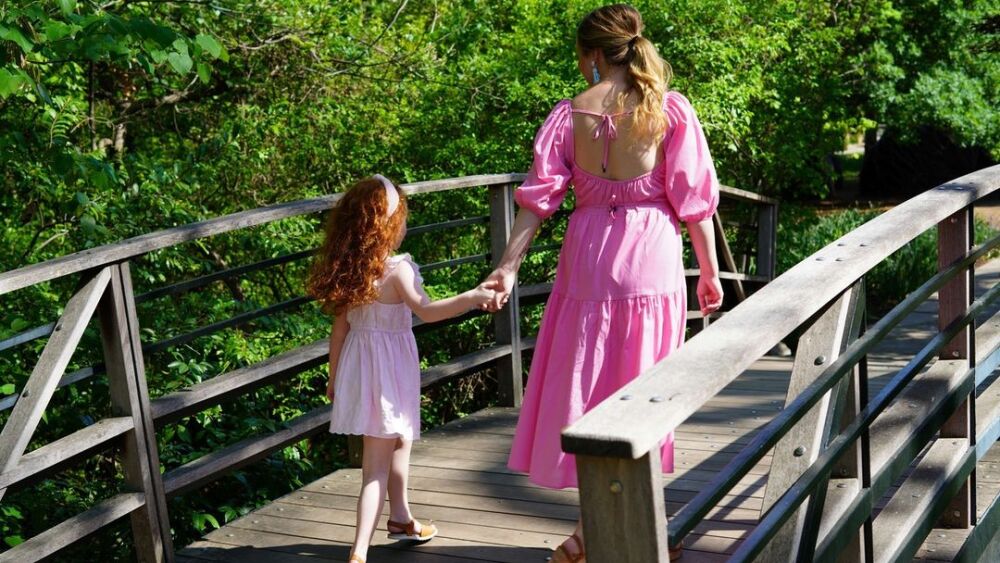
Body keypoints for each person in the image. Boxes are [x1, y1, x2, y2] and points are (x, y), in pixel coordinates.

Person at [482, 4, 724, 561]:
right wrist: (709, 273)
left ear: (592, 54)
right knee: (644, 387)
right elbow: (694, 203)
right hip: (651, 260)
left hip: (587, 260)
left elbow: (537, 203)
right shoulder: (669, 111)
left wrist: (508, 266)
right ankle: (615, 531)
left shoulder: (571, 116)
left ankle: (594, 529)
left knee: (587, 387)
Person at [307, 175, 496, 563]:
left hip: (361, 368)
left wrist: (334, 376)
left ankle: (401, 518)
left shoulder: (354, 270)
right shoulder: (398, 270)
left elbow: (340, 328)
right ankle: (359, 551)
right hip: (389, 373)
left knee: (400, 440)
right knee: (374, 466)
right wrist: (472, 297)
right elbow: (427, 310)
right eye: (402, 218)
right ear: (388, 225)